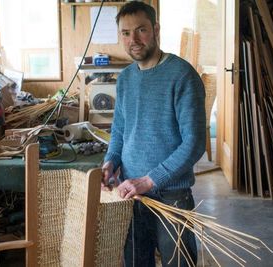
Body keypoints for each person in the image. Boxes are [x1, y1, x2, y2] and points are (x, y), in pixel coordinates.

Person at [101, 1, 206, 266]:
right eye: (125, 33)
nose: (133, 40)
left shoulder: (182, 75)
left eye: (141, 30)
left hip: (171, 196)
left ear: (156, 29)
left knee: (179, 262)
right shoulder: (125, 78)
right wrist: (110, 161)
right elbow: (120, 129)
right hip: (131, 194)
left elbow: (194, 143)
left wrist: (149, 180)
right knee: (136, 261)